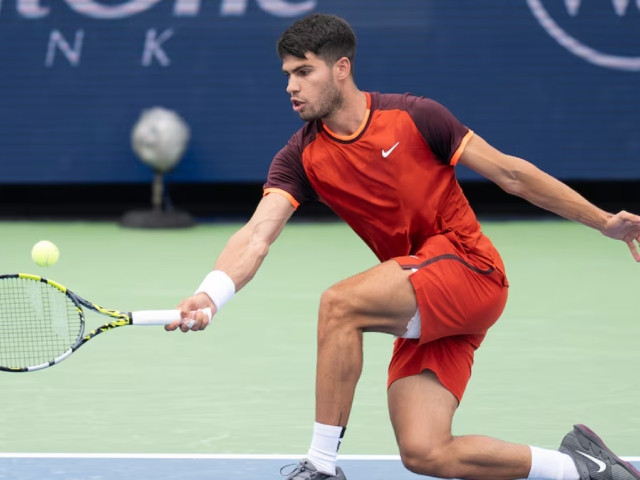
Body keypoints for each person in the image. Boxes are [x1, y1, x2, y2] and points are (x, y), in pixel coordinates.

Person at [167, 13, 640, 480]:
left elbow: (511, 174)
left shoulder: (415, 116)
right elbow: (256, 234)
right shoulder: (300, 158)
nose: (291, 86)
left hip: (470, 270)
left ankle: (320, 466)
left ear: (341, 68)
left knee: (340, 305)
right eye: (287, 74)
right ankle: (583, 468)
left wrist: (603, 222)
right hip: (424, 293)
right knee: (425, 451)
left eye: (304, 71)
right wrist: (211, 294)